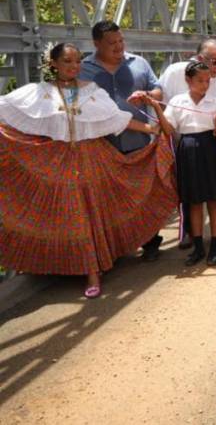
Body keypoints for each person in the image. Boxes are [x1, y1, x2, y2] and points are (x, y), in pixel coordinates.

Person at [0, 43, 174, 298]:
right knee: (73, 214)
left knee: (91, 211)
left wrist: (151, 129)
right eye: (67, 61)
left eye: (77, 61)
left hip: (93, 158)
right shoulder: (37, 93)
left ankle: (94, 270)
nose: (73, 66)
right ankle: (85, 268)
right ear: (53, 64)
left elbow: (116, 119)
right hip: (57, 161)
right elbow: (8, 111)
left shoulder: (91, 92)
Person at [79, 20, 166, 261]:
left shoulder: (139, 63)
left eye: (121, 41)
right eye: (111, 44)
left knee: (142, 193)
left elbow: (159, 90)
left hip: (139, 141)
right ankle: (117, 247)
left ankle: (150, 240)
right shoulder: (83, 69)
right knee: (109, 198)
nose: (118, 47)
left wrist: (148, 96)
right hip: (101, 146)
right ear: (96, 44)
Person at [158, 39, 216, 249]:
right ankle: (191, 233)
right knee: (190, 193)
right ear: (199, 59)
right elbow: (160, 99)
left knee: (215, 193)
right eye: (215, 62)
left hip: (209, 142)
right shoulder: (173, 73)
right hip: (182, 140)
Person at [146, 62, 216, 266]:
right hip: (187, 150)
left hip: (210, 149)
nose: (204, 85)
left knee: (214, 199)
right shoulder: (177, 101)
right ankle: (198, 247)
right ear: (188, 81)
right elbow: (168, 130)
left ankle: (214, 246)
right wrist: (158, 108)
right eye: (199, 80)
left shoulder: (215, 103)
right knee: (193, 201)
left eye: (207, 81)